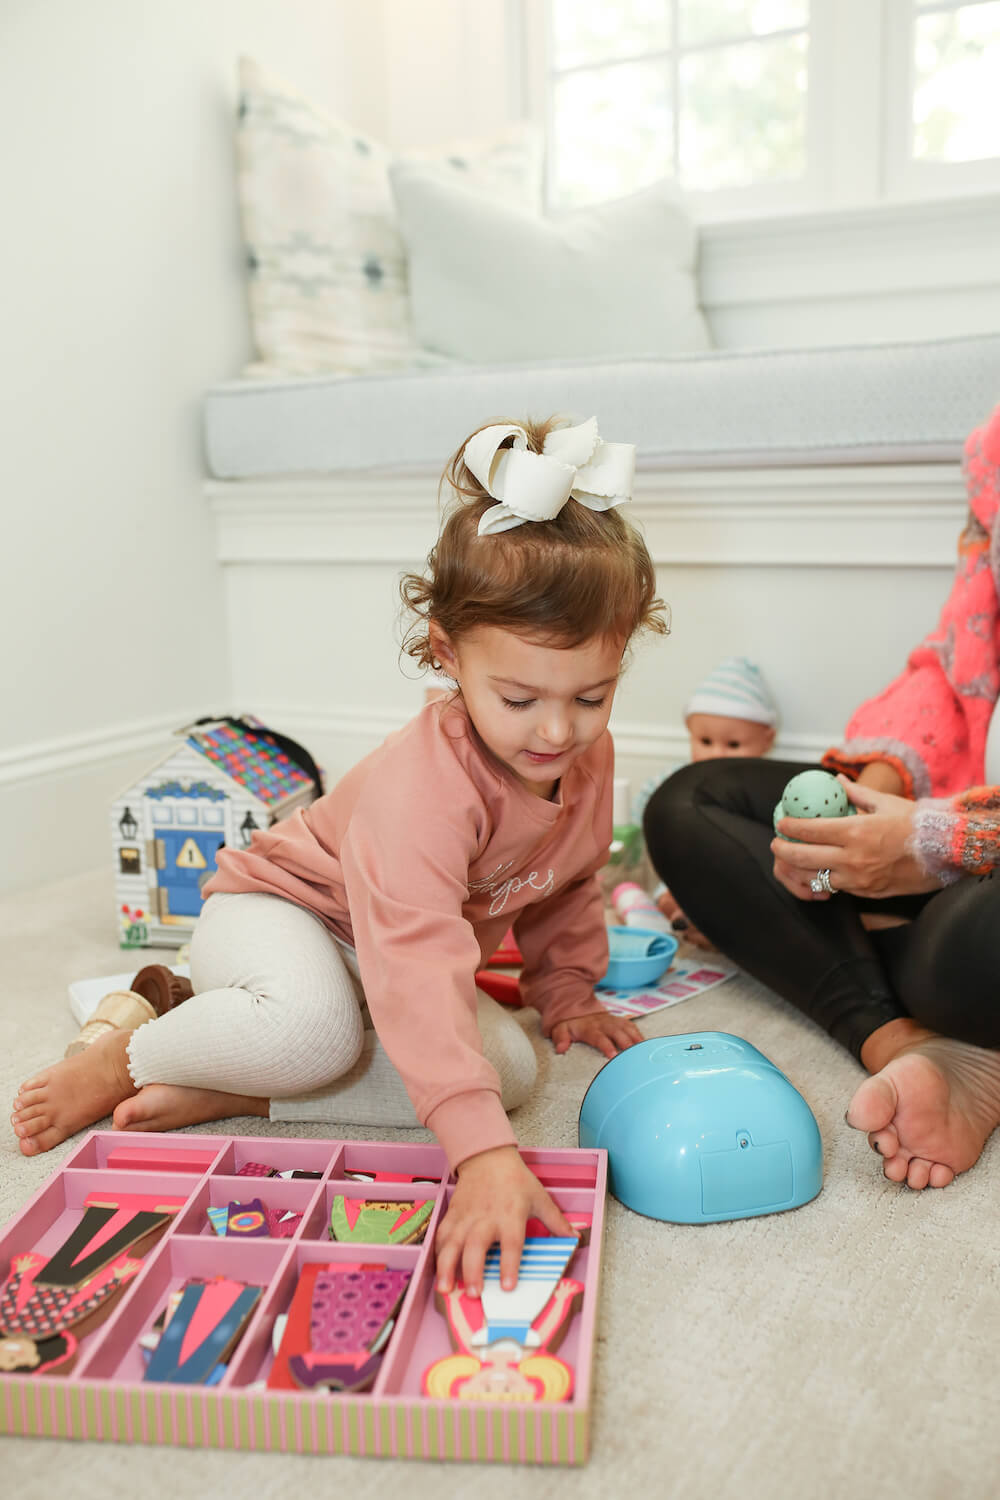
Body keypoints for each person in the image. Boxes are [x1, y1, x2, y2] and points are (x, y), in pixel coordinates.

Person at [11, 413, 667, 1297]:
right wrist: (480, 1160)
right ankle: (132, 1052)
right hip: (282, 910)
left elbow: (565, 881)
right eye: (518, 699)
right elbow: (418, 955)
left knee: (508, 1072)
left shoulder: (581, 758)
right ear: (448, 656)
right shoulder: (423, 789)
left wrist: (566, 991)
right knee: (323, 1035)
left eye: (592, 696)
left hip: (383, 946)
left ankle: (248, 1090)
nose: (557, 731)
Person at [643, 402, 1000, 1192]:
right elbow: (955, 665)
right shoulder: (997, 460)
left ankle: (869, 959)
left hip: (978, 882)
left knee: (982, 943)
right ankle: (904, 1037)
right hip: (963, 821)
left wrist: (935, 850)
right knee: (691, 802)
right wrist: (864, 814)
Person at [635, 656, 778, 939]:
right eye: (705, 742)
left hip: (737, 879)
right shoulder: (676, 783)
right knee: (669, 894)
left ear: (767, 740)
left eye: (733, 744)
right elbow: (649, 805)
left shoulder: (762, 791)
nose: (716, 754)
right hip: (682, 871)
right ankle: (680, 917)